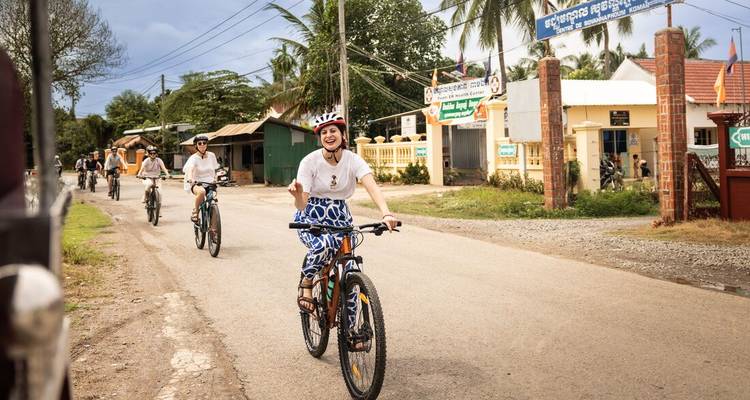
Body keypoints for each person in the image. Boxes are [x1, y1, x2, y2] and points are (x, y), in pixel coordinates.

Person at [288, 112, 398, 343]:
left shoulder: (353, 159)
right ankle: (307, 282)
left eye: (333, 131)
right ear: (319, 137)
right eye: (324, 132)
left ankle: (351, 331)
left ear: (342, 134)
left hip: (340, 216)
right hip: (311, 215)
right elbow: (302, 203)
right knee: (325, 244)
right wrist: (297, 196)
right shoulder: (309, 162)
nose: (329, 135)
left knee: (348, 268)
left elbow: (371, 186)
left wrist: (386, 212)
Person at [182, 134, 218, 222]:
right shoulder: (193, 158)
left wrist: (216, 178)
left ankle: (213, 225)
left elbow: (215, 169)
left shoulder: (212, 155)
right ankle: (196, 211)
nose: (202, 145)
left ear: (207, 144)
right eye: (200, 143)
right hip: (197, 183)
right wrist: (191, 178)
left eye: (204, 143)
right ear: (196, 145)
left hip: (209, 182)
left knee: (212, 200)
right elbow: (191, 168)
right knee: (202, 192)